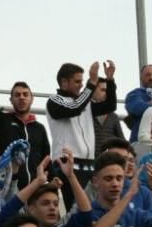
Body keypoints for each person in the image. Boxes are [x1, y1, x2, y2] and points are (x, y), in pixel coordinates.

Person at [0, 52, 50, 187]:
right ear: (11, 100)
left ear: (32, 99)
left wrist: (48, 183)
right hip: (8, 189)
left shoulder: (39, 128)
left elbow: (47, 158)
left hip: (35, 191)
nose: (21, 97)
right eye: (17, 95)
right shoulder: (2, 120)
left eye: (25, 94)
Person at [47, 61, 117, 204]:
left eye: (82, 81)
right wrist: (91, 83)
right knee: (76, 210)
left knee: (93, 208)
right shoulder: (54, 100)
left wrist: (110, 80)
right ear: (64, 82)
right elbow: (74, 108)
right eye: (77, 81)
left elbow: (111, 105)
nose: (81, 85)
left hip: (89, 164)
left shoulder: (86, 103)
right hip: (66, 165)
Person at [124, 64, 152, 141]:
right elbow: (136, 108)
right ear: (141, 78)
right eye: (148, 75)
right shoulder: (134, 94)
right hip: (141, 142)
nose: (151, 77)